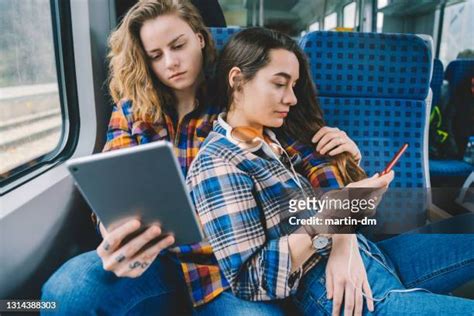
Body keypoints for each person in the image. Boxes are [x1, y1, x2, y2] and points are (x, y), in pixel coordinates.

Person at [40, 1, 363, 315]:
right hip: (156, 259)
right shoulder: (130, 111)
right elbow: (110, 190)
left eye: (178, 45)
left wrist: (342, 240)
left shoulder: (240, 95)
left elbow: (316, 165)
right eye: (156, 55)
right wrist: (115, 232)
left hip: (227, 269)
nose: (171, 62)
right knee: (68, 288)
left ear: (199, 37)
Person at [185, 27, 474, 316]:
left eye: (294, 86)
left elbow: (340, 211)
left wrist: (356, 184)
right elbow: (250, 280)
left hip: (370, 254)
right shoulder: (218, 163)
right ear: (237, 80)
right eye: (279, 84)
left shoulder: (279, 139)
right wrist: (326, 223)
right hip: (335, 289)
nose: (292, 99)